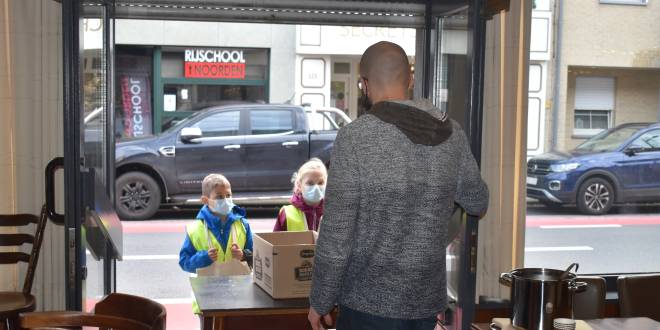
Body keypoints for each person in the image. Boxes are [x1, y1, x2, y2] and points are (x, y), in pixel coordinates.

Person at [308, 41, 489, 330]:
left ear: (363, 84)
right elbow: (478, 201)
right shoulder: (452, 133)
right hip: (425, 304)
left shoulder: (355, 138)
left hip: (366, 305)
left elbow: (337, 234)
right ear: (411, 80)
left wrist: (320, 300)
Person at [179, 173, 254, 315]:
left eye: (228, 195)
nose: (225, 200)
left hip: (239, 299)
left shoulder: (243, 225)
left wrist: (244, 255)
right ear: (205, 200)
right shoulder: (195, 229)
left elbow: (257, 256)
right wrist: (203, 258)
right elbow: (184, 262)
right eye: (219, 197)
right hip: (207, 301)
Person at [274, 158, 328, 232]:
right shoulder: (287, 213)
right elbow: (275, 241)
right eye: (310, 183)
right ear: (299, 185)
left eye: (320, 183)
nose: (316, 187)